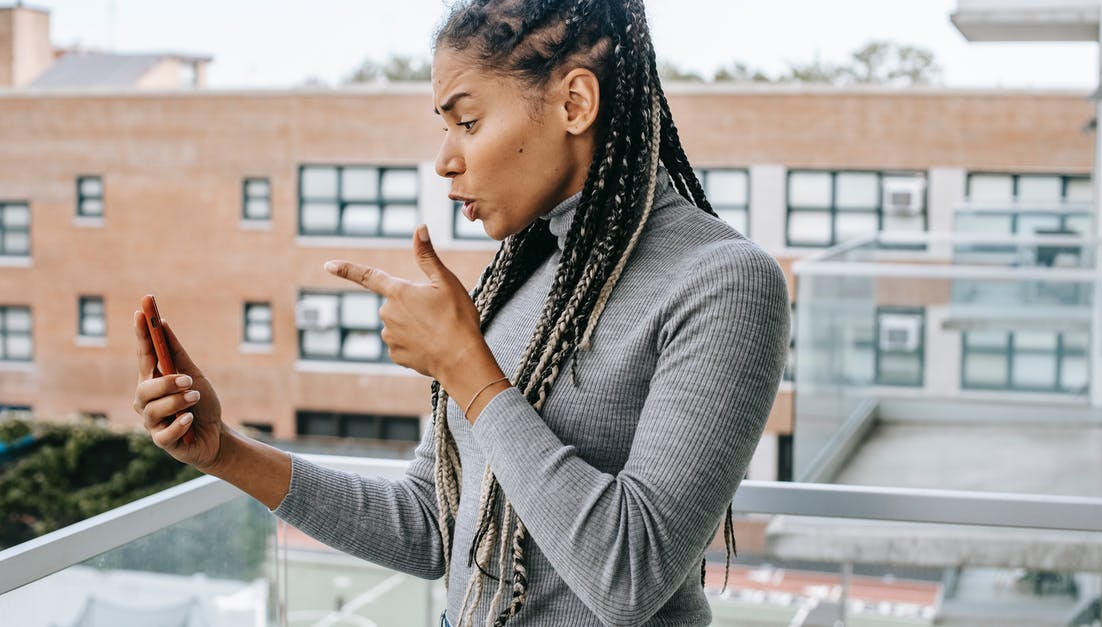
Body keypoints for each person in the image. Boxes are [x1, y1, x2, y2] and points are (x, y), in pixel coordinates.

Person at [132, 0, 789, 624]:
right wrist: (225, 453)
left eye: (467, 122)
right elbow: (431, 524)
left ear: (574, 101)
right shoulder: (525, 281)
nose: (446, 160)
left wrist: (467, 370)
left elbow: (630, 575)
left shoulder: (724, 281)